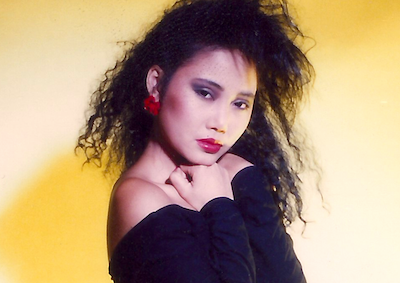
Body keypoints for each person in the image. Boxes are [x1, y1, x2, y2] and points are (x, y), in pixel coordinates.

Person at [77, 0, 318, 282]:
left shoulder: (237, 173)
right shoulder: (139, 198)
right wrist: (219, 207)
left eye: (240, 104)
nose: (222, 123)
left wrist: (240, 188)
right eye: (205, 93)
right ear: (156, 84)